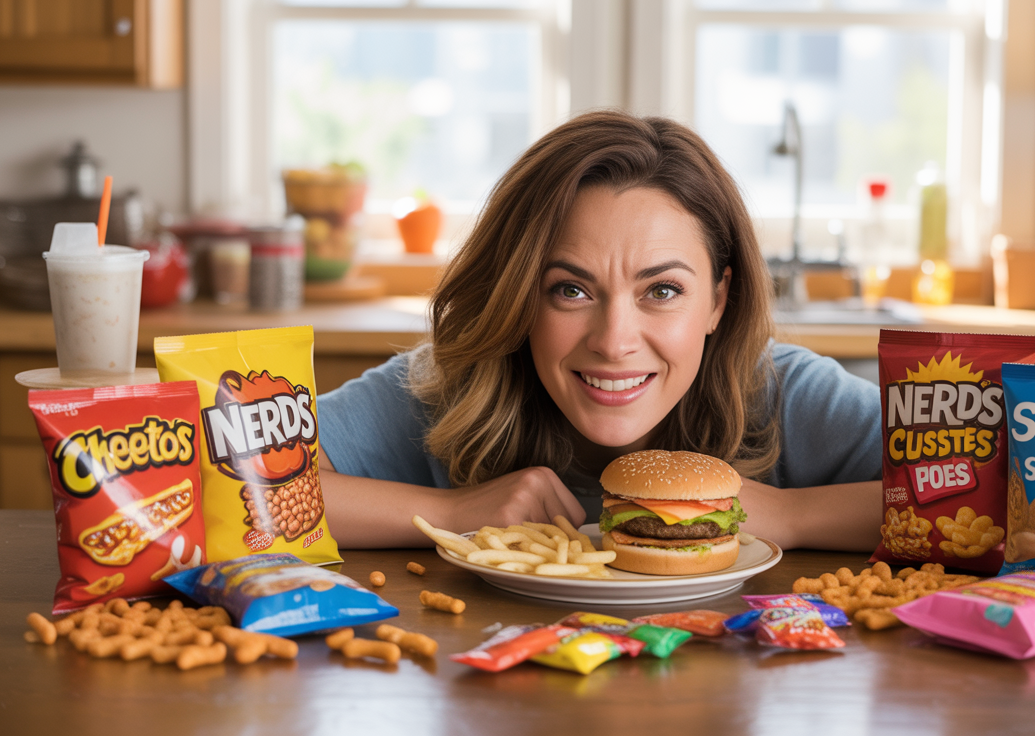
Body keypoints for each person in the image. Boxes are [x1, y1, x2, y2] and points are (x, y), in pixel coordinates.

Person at [319, 110, 882, 551]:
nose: (614, 342)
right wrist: (447, 515)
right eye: (571, 290)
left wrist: (794, 515)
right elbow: (238, 484)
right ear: (520, 296)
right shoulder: (447, 391)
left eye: (662, 291)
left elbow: (973, 489)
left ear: (717, 300)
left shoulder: (781, 391)